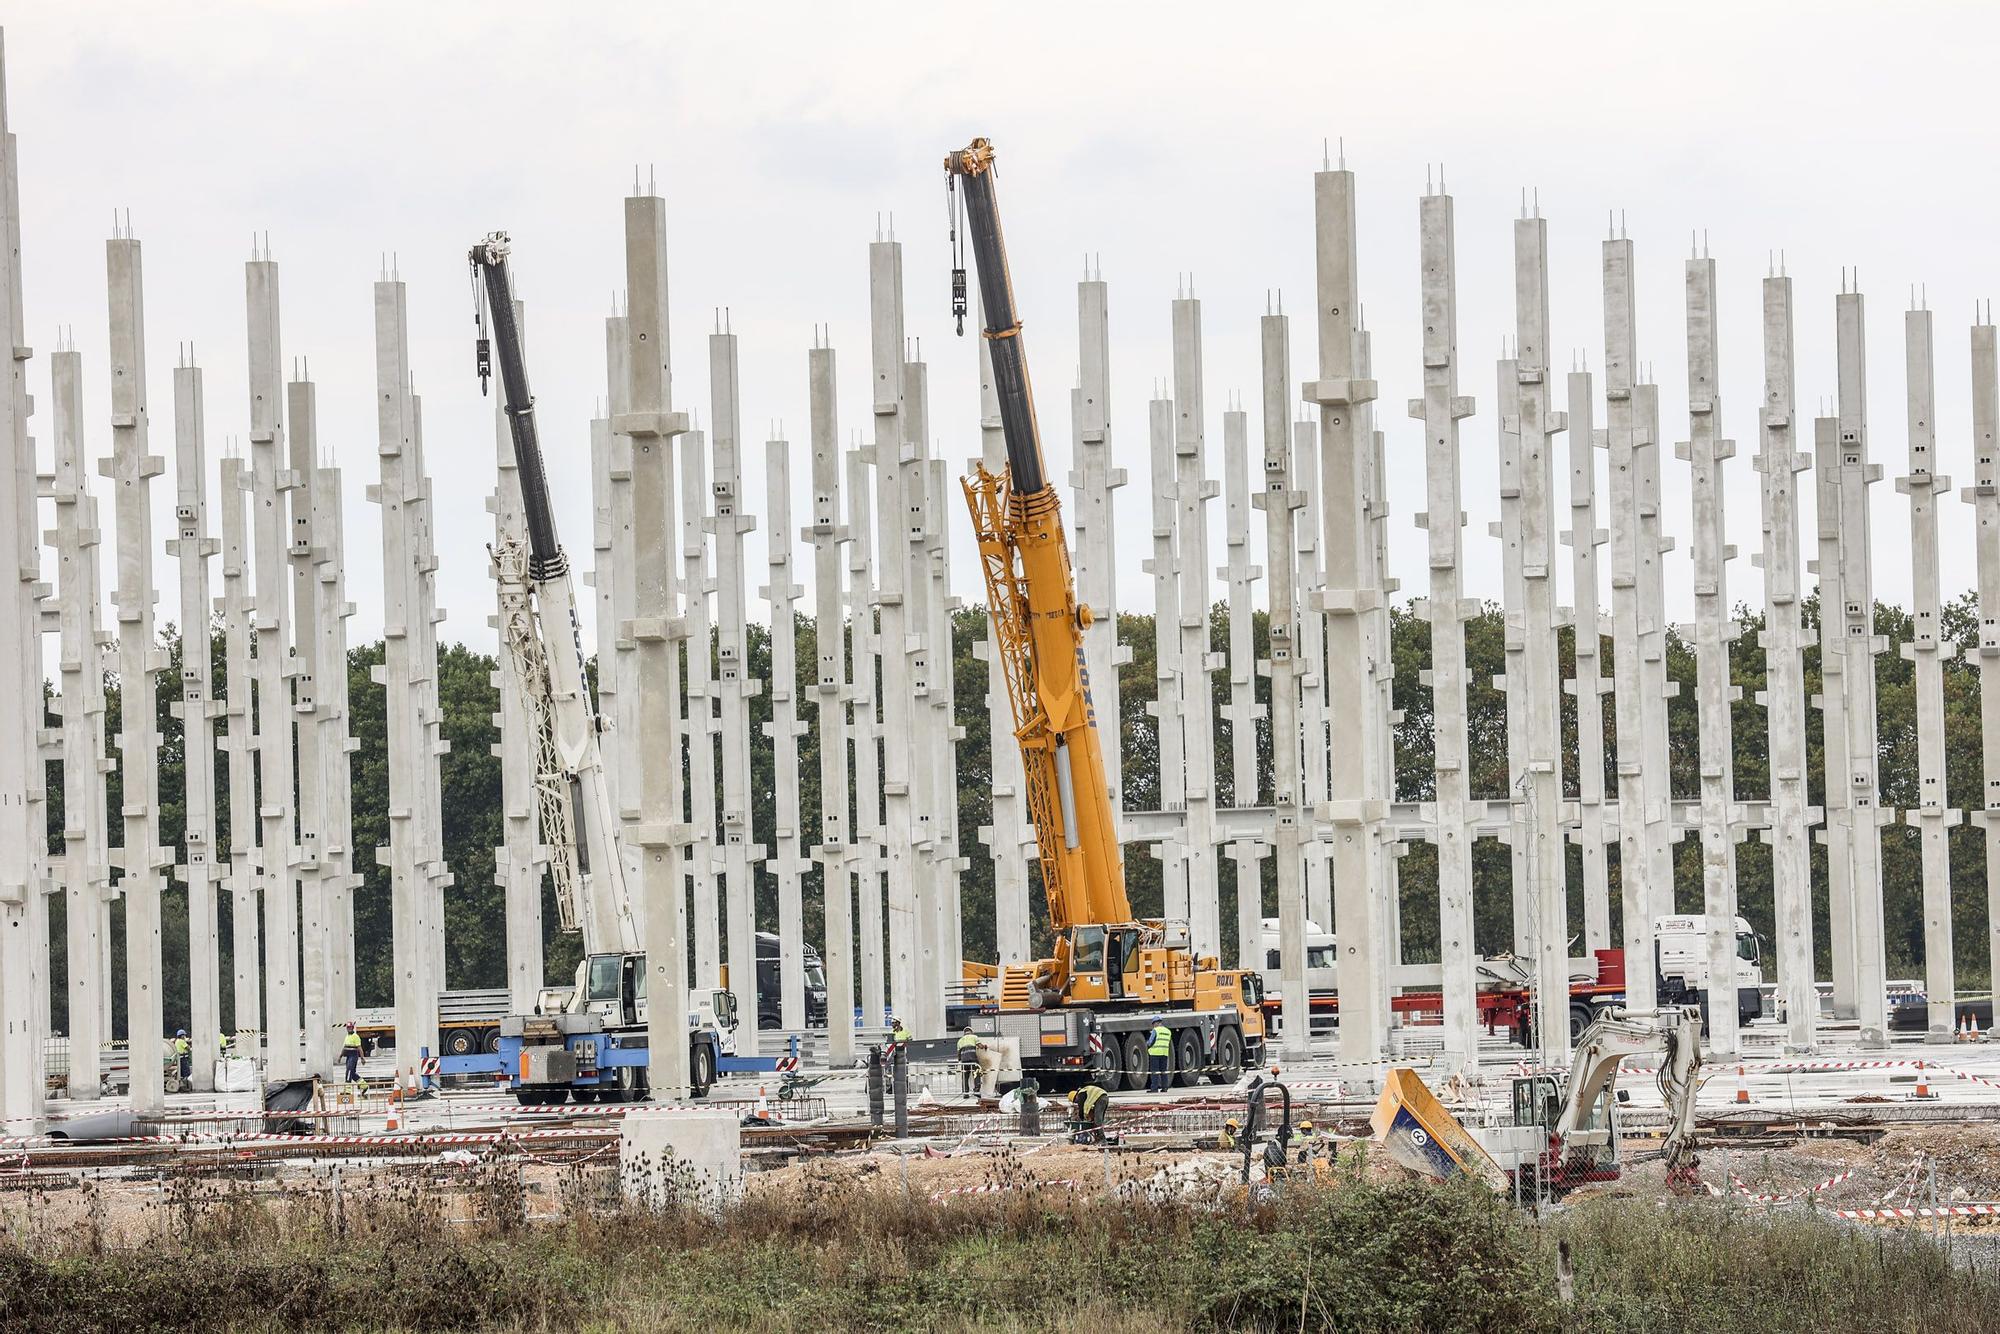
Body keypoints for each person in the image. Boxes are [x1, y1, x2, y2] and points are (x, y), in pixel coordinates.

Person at [1146, 1022, 1172, 1092]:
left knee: (1155, 1072)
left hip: (1155, 1053)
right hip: (1164, 1053)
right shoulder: (1168, 1031)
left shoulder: (1156, 1030)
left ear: (1155, 1023)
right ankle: (1165, 1088)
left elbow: (1150, 1042)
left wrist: (1147, 1043)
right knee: (1164, 1072)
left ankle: (1154, 1088)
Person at [956, 1027, 982, 1095]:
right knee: (976, 1074)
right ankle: (976, 1091)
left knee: (965, 1077)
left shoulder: (960, 1040)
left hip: (964, 1061)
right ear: (971, 1032)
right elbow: (980, 1046)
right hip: (973, 1060)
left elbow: (958, 1053)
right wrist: (985, 1046)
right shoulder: (974, 1037)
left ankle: (965, 1093)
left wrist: (959, 1060)